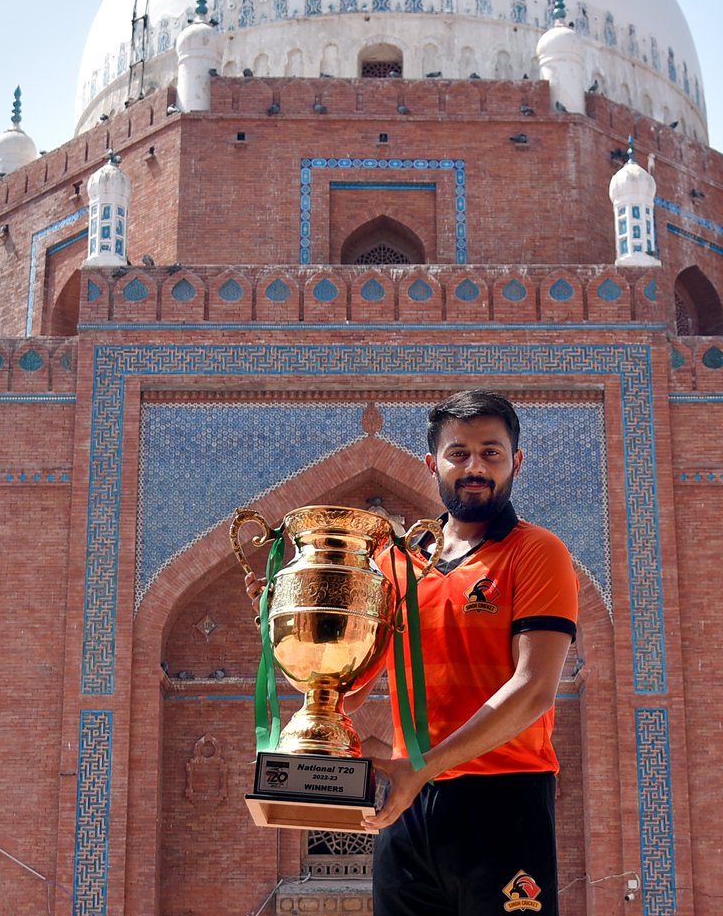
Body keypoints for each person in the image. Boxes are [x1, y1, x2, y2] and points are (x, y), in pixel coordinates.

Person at [245, 390, 578, 916]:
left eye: (491, 453)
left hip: (502, 798)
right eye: (459, 453)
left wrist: (423, 766)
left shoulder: (536, 552)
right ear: (432, 463)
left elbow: (533, 689)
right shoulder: (399, 563)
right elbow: (347, 695)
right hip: (408, 803)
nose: (475, 467)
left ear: (516, 461)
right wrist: (292, 620)